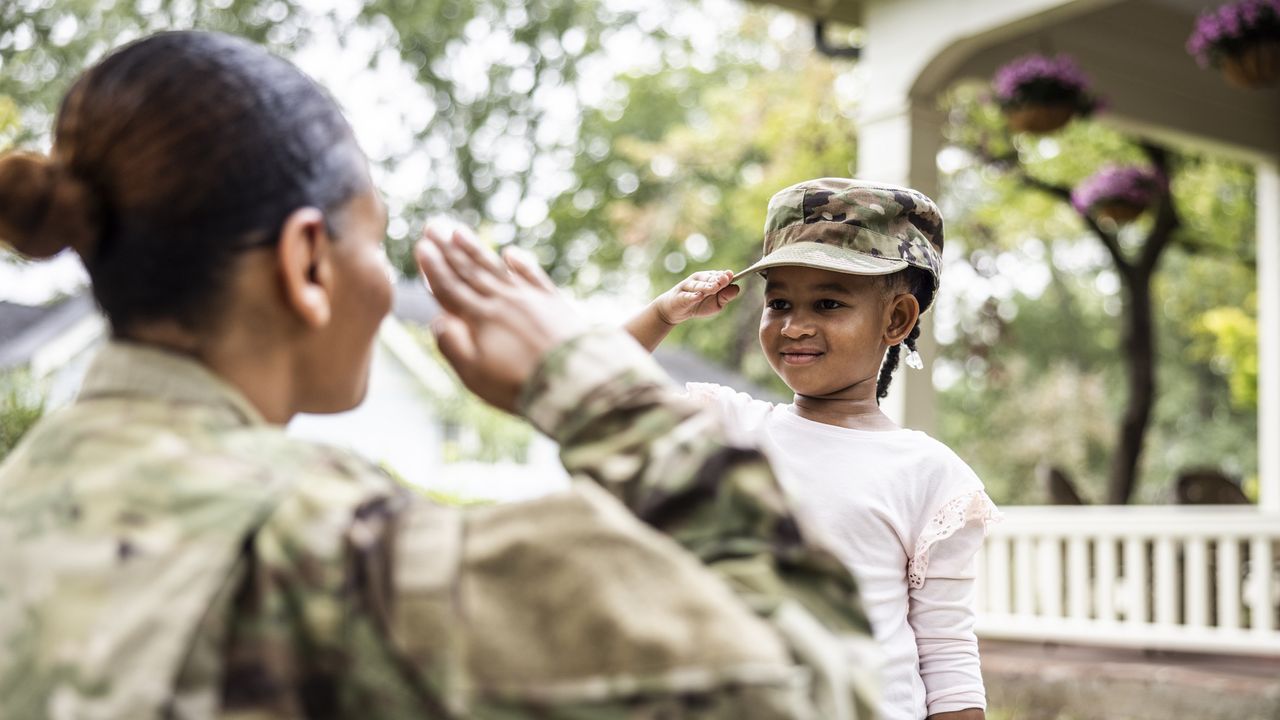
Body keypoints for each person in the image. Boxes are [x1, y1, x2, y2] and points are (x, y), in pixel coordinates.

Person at [0, 32, 888, 719]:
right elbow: (814, 684)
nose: (388, 284)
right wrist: (592, 383)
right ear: (309, 261)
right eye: (375, 239)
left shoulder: (22, 502)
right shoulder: (333, 556)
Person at [626, 178, 1001, 720]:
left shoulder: (931, 475)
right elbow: (591, 383)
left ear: (896, 319)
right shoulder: (729, 426)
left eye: (827, 303)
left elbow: (947, 655)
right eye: (778, 302)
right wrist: (662, 315)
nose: (795, 326)